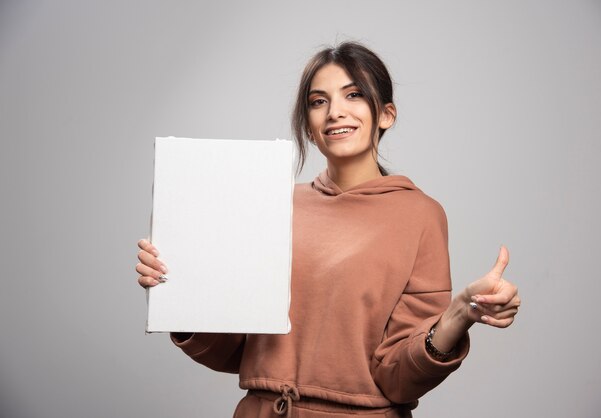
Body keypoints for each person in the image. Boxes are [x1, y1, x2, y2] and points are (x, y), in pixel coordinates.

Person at [136, 42, 521, 418]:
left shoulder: (421, 216)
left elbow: (399, 378)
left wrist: (458, 314)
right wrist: (179, 291)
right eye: (319, 101)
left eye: (353, 95)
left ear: (386, 114)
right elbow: (235, 350)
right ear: (309, 124)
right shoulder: (272, 203)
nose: (335, 112)